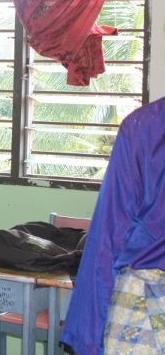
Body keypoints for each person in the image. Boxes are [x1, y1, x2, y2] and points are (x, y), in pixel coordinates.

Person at [61, 96, 165, 354]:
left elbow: (110, 234)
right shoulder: (144, 127)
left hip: (143, 308)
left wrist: (87, 335)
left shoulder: (145, 126)